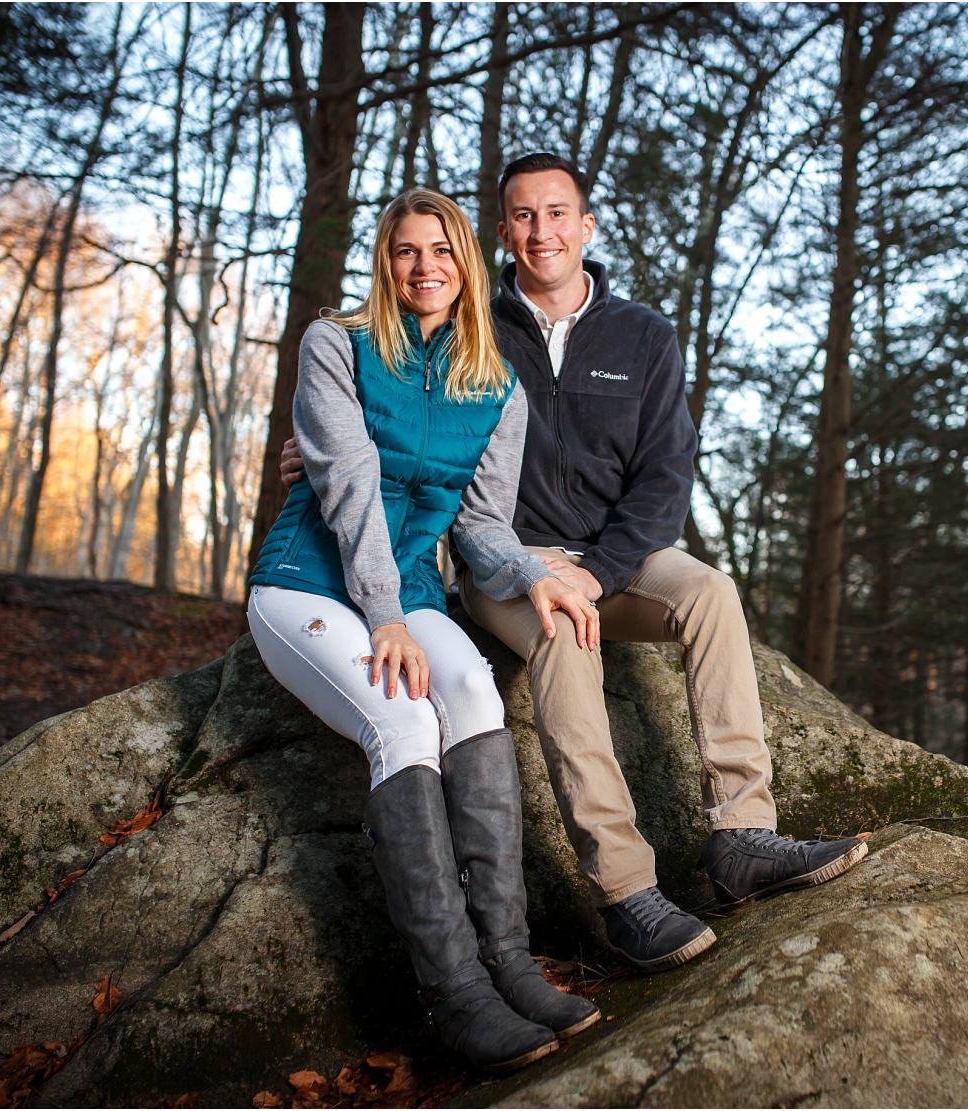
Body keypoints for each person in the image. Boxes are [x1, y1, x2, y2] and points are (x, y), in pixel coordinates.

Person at [283, 154, 867, 973]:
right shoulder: (470, 324)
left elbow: (667, 473)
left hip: (618, 556)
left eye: (557, 213)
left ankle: (740, 834)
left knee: (709, 593)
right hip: (506, 557)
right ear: (501, 233)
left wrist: (600, 569)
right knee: (561, 632)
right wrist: (308, 451)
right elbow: (387, 412)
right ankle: (626, 891)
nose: (541, 230)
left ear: (585, 227)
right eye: (522, 216)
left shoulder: (644, 335)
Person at [247, 189, 599, 1073]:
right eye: (405, 251)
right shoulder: (338, 343)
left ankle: (509, 962)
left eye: (440, 250)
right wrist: (385, 615)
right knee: (403, 721)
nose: (424, 266)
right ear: (385, 260)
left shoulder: (497, 385)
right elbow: (348, 479)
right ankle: (455, 993)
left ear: (465, 264)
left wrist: (533, 574)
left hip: (412, 589)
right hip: (307, 584)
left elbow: (482, 527)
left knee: (473, 691)